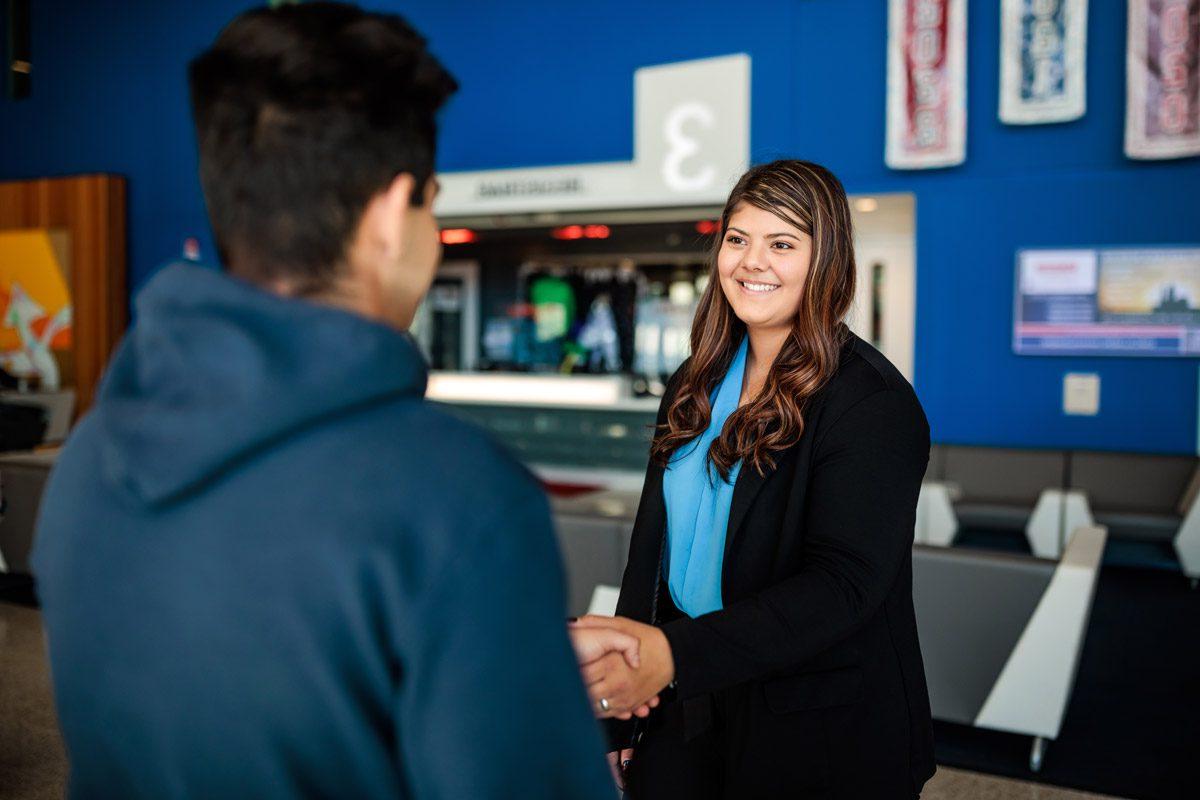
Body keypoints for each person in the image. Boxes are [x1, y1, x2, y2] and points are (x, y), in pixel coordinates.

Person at [33, 4, 638, 797]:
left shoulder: (90, 458)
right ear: (392, 216)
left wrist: (490, 650)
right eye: (430, 202)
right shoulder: (457, 502)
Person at [571, 160, 937, 798]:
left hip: (813, 716)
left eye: (783, 243)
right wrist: (621, 709)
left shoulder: (870, 402)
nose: (751, 262)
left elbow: (844, 586)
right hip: (688, 697)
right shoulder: (695, 382)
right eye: (738, 239)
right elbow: (649, 550)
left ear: (827, 261)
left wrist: (674, 657)